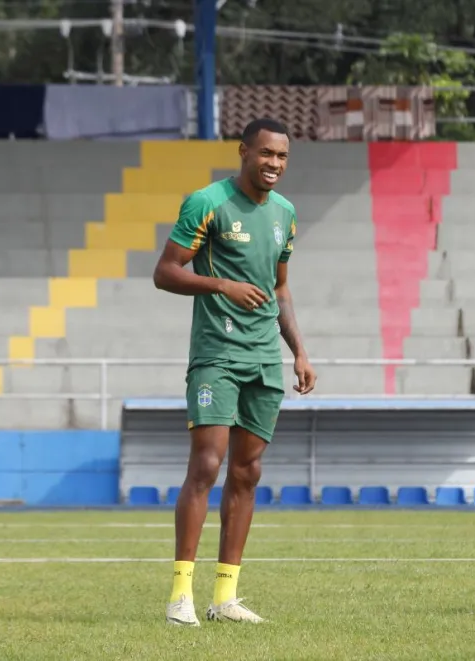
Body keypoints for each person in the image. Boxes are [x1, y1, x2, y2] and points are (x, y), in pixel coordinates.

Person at [153, 117, 316, 626]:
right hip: (217, 355)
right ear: (244, 152)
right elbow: (165, 272)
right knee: (206, 465)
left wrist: (299, 352)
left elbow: (280, 289)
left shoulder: (286, 213)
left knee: (248, 474)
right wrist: (221, 286)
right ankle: (180, 593)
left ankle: (225, 597)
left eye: (282, 157)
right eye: (266, 154)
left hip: (264, 358)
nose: (274, 165)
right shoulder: (207, 202)